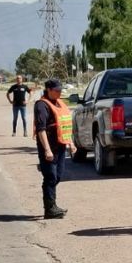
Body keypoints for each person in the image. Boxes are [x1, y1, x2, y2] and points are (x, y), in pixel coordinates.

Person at [34, 79, 76, 218]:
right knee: (50, 176)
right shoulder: (41, 105)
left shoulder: (60, 103)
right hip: (49, 146)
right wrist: (47, 149)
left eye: (60, 90)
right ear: (48, 90)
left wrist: (71, 143)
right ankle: (50, 208)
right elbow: (41, 129)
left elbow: (65, 126)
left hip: (61, 145)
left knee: (58, 176)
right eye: (56, 90)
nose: (59, 93)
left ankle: (53, 206)